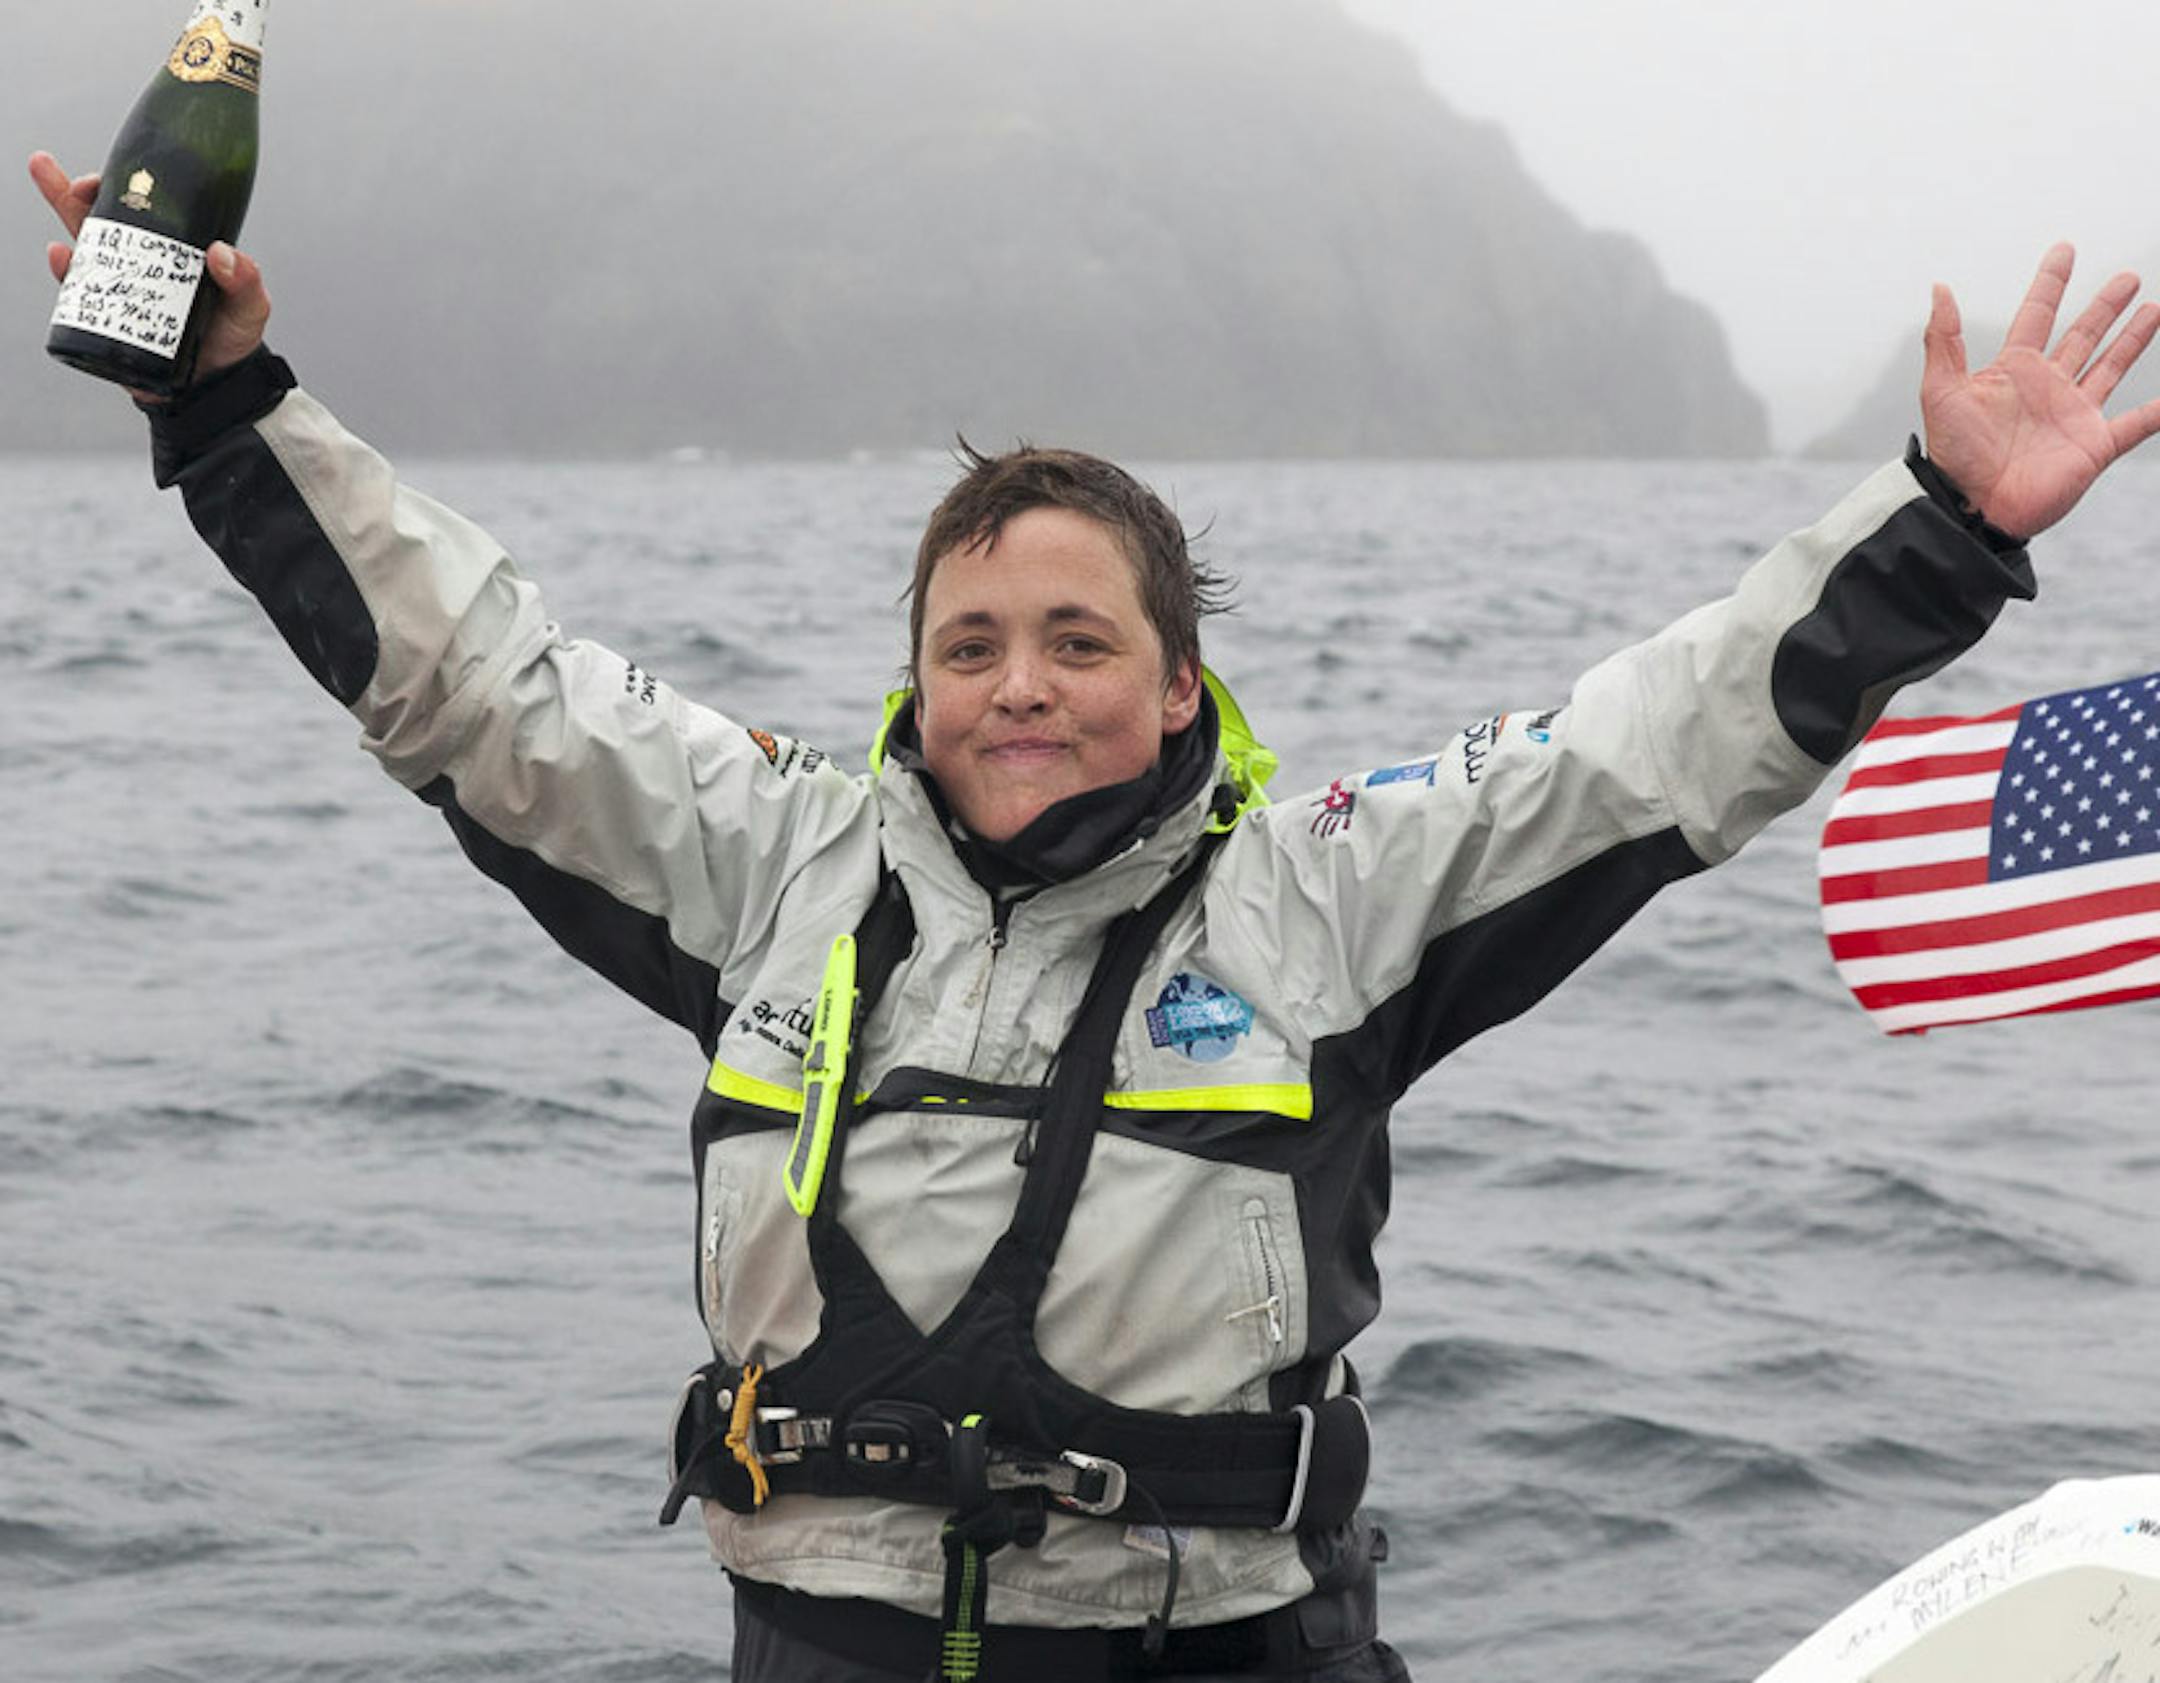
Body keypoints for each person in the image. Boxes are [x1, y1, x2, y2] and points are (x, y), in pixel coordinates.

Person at [29, 149, 2160, 1683]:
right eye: (972, 644)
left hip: (1224, 1649)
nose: (1020, 685)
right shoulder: (772, 856)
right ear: (917, 676)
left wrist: (1947, 530)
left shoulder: (1332, 886)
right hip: (822, 1644)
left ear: (1175, 677)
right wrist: (224, 409)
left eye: (1073, 638)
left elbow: (1654, 742)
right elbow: (478, 677)